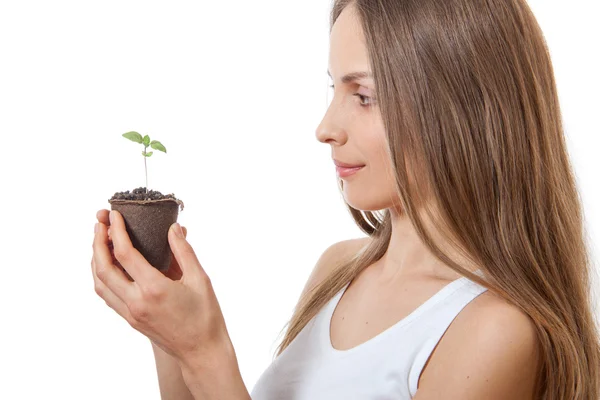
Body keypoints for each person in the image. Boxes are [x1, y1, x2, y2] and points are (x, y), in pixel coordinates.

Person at [92, 0, 600, 399]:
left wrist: (206, 353)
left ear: (459, 109)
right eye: (335, 89)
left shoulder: (493, 333)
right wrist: (169, 330)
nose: (325, 128)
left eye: (364, 96)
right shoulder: (339, 269)